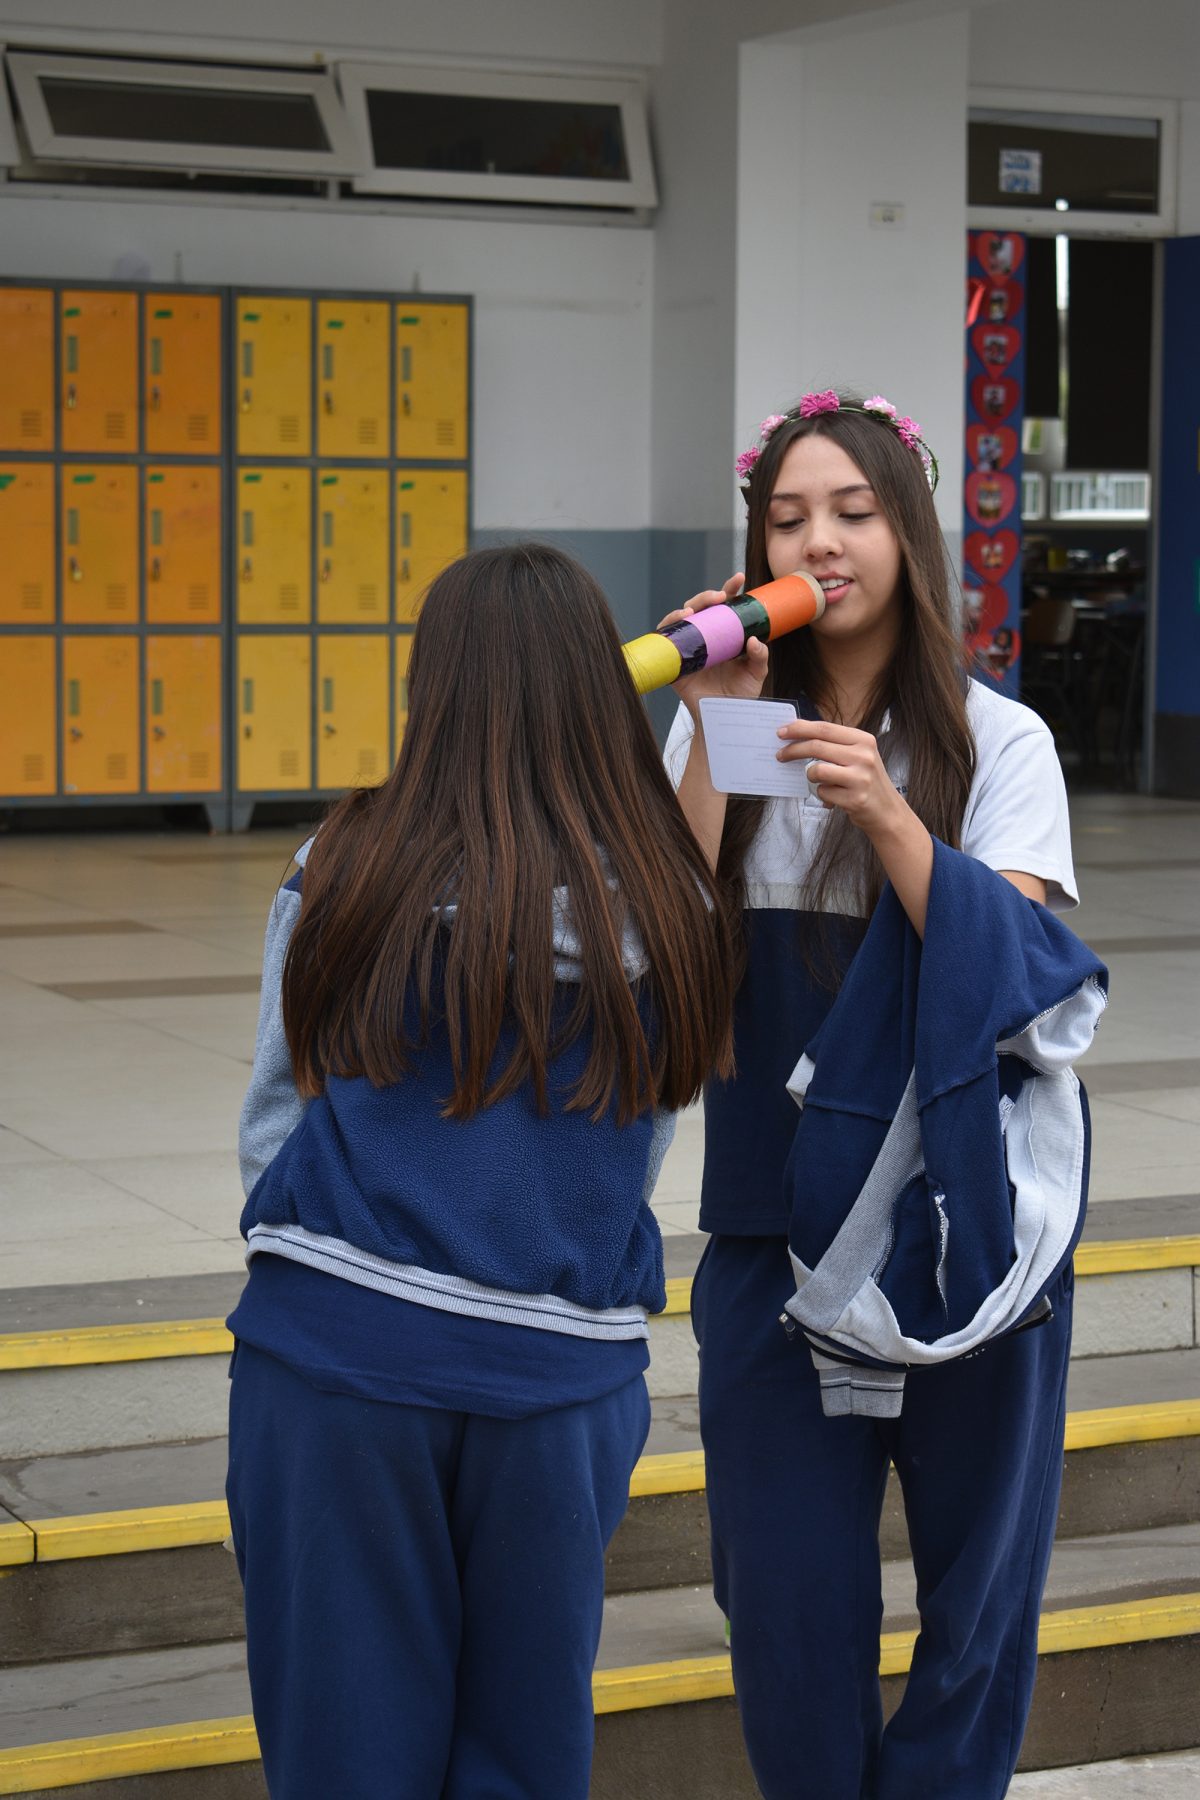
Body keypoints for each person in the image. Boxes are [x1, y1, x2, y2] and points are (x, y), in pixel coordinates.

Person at [225, 542, 735, 1800]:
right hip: (558, 1376)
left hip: (336, 1363)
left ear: (432, 687)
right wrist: (716, 724)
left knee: (345, 1744)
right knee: (524, 1743)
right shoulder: (665, 905)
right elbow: (651, 1115)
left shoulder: (345, 861)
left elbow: (275, 1111)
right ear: (597, 688)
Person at [662, 392, 1105, 1800]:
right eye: (788, 518)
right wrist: (702, 729)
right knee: (784, 1607)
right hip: (769, 1239)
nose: (821, 542)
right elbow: (666, 960)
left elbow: (1019, 976)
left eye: (852, 512)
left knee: (977, 1607)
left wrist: (893, 817)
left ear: (909, 533)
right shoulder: (731, 736)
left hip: (964, 1230)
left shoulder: (1000, 741)